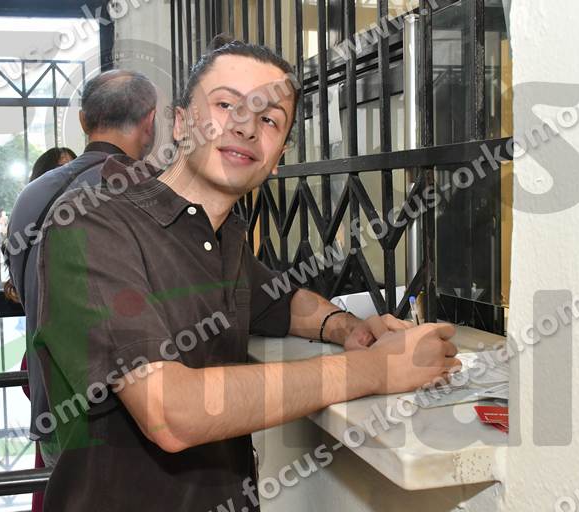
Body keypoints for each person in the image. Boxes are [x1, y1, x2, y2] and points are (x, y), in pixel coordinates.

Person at [33, 38, 461, 511]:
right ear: (180, 123)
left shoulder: (223, 235)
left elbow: (280, 300)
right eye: (225, 104)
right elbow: (170, 413)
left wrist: (350, 328)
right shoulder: (94, 222)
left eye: (269, 119)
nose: (246, 126)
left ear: (278, 156)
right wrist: (377, 368)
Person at [5, 70, 160, 512]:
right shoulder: (151, 192)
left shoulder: (29, 198)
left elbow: (32, 294)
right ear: (150, 121)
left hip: (54, 413)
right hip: (129, 422)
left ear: (83, 119)